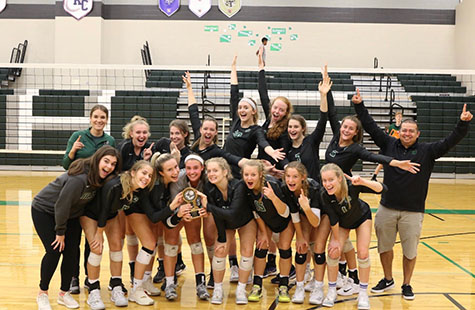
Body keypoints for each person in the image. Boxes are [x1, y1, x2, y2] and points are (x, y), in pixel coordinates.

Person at [352, 90, 472, 300]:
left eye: (411, 131)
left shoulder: (428, 151)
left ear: (418, 134)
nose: (407, 133)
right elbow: (370, 126)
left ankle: (407, 284)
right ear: (399, 132)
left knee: (410, 252)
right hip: (387, 208)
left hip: (413, 212)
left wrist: (462, 123)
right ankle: (388, 279)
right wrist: (359, 106)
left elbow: (450, 141)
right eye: (404, 130)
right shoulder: (389, 144)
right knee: (384, 247)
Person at [32, 146, 120, 310]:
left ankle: (63, 293)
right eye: (106, 161)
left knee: (72, 252)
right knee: (54, 251)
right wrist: (60, 232)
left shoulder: (103, 179)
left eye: (113, 164)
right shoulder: (79, 179)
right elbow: (61, 206)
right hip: (45, 210)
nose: (109, 167)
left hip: (72, 213)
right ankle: (42, 293)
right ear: (97, 159)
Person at [62, 105, 116, 294]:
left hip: (95, 194)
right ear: (90, 118)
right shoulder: (78, 136)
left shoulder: (109, 140)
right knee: (73, 239)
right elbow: (65, 165)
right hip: (77, 192)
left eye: (102, 117)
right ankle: (72, 277)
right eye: (96, 117)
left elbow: (112, 167)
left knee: (91, 240)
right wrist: (73, 150)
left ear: (106, 120)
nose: (99, 120)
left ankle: (88, 276)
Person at [320, 163, 387, 309]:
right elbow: (333, 218)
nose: (327, 184)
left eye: (330, 180)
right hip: (343, 222)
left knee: (363, 253)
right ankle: (332, 291)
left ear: (339, 178)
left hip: (362, 217)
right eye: (324, 180)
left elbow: (382, 189)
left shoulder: (351, 186)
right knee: (333, 252)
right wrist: (336, 241)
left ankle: (362, 293)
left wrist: (363, 181)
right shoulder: (325, 195)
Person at [234, 160, 294, 303]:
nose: (249, 178)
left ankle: (284, 285)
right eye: (246, 174)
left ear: (261, 175)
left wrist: (273, 198)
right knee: (261, 246)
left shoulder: (272, 185)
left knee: (284, 250)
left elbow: (286, 213)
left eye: (253, 175)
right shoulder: (246, 189)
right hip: (266, 221)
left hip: (285, 221)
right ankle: (257, 285)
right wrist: (263, 232)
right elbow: (256, 212)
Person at [204, 157, 256, 304]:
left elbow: (233, 213)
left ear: (225, 172)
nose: (211, 174)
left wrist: (208, 207)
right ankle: (218, 289)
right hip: (226, 222)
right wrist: (221, 238)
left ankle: (241, 289)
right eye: (209, 171)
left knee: (246, 251)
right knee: (219, 251)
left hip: (245, 220)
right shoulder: (209, 187)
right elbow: (218, 216)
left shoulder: (238, 185)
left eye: (215, 170)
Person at [225, 56, 285, 179]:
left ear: (253, 111)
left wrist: (272, 152)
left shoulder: (256, 130)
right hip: (224, 168)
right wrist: (233, 68)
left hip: (239, 173)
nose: (242, 110)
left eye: (246, 108)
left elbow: (263, 142)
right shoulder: (236, 121)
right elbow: (234, 94)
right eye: (240, 107)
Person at [117, 115, 155, 284]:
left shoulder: (149, 148)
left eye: (145, 132)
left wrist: (146, 159)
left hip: (142, 198)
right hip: (125, 197)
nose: (142, 135)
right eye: (138, 132)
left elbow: (146, 173)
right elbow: (123, 174)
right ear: (131, 133)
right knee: (128, 234)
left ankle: (143, 275)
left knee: (145, 237)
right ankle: (132, 272)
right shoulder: (124, 148)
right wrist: (142, 161)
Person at [168, 154, 212, 300]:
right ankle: (170, 281)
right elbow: (174, 204)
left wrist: (205, 211)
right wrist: (180, 214)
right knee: (171, 241)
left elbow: (211, 203)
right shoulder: (179, 179)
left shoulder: (208, 179)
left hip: (196, 211)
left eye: (195, 168)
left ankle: (201, 283)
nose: (192, 172)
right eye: (188, 168)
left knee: (196, 242)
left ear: (202, 168)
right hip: (177, 210)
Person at [279, 162, 321, 304]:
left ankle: (317, 281)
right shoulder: (285, 189)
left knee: (316, 247)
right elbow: (294, 213)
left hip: (317, 215)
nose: (290, 180)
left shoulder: (314, 188)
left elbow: (315, 222)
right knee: (301, 246)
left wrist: (307, 208)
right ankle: (300, 286)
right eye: (288, 176)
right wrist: (300, 237)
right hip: (299, 215)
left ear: (303, 177)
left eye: (295, 177)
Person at [256, 53, 292, 172]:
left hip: (273, 169)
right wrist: (261, 68)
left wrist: (285, 169)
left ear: (286, 113)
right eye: (275, 108)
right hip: (261, 166)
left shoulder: (284, 130)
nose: (277, 112)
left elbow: (282, 155)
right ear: (271, 107)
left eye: (281, 110)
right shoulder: (269, 118)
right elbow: (263, 93)